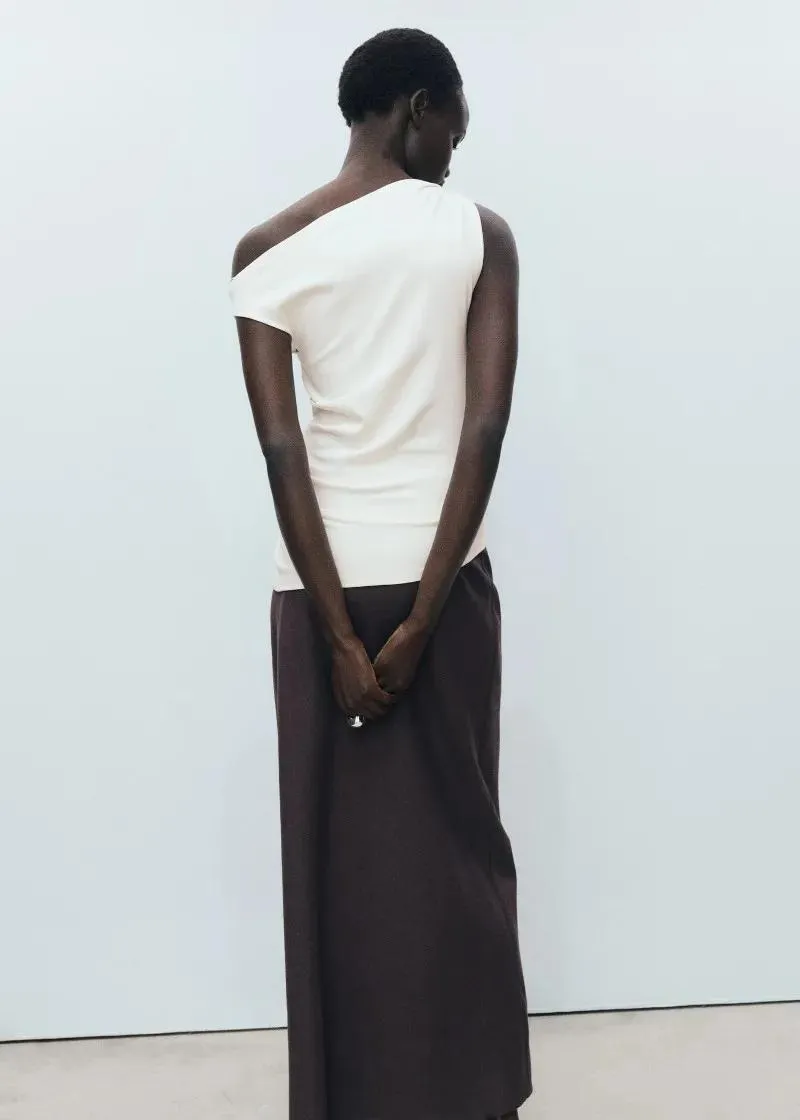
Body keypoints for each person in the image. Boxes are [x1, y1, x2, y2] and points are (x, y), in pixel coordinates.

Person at [229, 27, 532, 1120]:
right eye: (452, 126)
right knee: (460, 841)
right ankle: (473, 1093)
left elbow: (282, 450)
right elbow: (483, 429)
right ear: (416, 108)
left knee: (333, 866)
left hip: (320, 589)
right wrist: (420, 623)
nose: (453, 151)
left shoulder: (266, 249)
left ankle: (344, 1098)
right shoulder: (478, 235)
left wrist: (343, 641)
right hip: (442, 578)